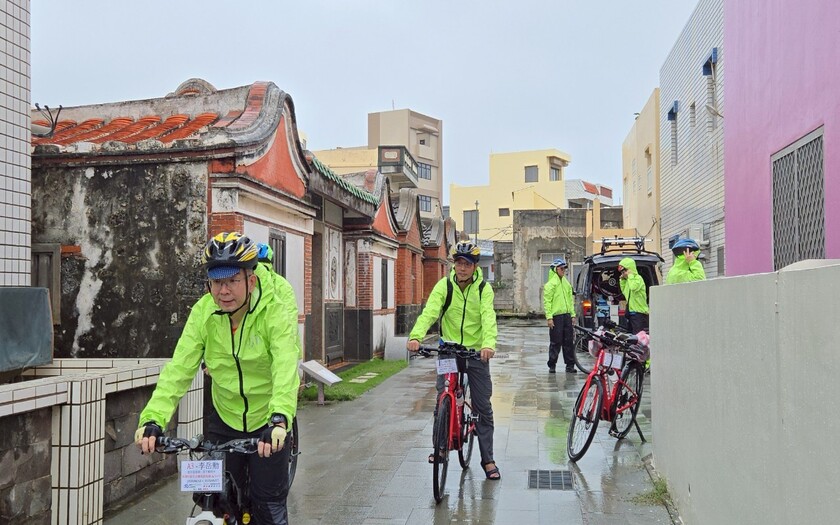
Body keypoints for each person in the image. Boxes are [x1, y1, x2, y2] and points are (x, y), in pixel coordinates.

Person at [136, 232, 299, 525]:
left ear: (250, 280)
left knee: (267, 507)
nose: (223, 291)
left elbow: (286, 366)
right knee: (212, 497)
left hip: (267, 419)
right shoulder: (203, 313)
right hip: (224, 418)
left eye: (232, 281)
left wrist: (280, 418)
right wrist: (153, 419)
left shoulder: (274, 311)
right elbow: (178, 369)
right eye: (216, 282)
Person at [406, 241, 501, 481]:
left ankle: (487, 459)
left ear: (474, 266)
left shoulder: (483, 289)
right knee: (443, 396)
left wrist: (488, 345)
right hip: (448, 349)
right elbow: (430, 311)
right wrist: (416, 336)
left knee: (482, 406)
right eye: (458, 263)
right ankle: (439, 448)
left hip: (476, 352)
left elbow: (488, 317)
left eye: (467, 264)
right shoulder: (444, 286)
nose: (462, 268)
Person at [543, 257, 577, 374]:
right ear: (555, 269)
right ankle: (552, 365)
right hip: (556, 317)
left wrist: (572, 315)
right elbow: (547, 302)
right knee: (555, 342)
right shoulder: (550, 285)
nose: (564, 270)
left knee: (569, 342)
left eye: (564, 268)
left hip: (566, 316)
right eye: (561, 268)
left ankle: (570, 365)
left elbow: (570, 300)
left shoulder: (566, 283)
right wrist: (549, 318)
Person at [617, 257, 649, 335]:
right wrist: (623, 280)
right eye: (621, 272)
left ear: (629, 269)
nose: (623, 274)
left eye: (624, 271)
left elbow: (634, 288)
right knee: (631, 335)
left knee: (638, 336)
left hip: (639, 312)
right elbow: (625, 292)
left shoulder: (638, 278)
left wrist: (630, 275)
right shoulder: (629, 281)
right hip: (631, 312)